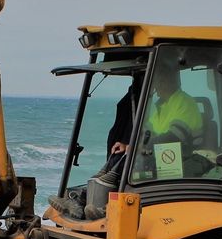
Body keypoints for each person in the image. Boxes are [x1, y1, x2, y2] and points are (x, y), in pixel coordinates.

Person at [50, 60, 201, 220]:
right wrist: (127, 145)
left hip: (178, 158)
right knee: (119, 155)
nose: (156, 86)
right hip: (159, 154)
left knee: (132, 160)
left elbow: (174, 137)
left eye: (159, 80)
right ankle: (80, 200)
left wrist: (137, 148)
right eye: (156, 80)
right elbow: (145, 134)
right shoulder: (161, 106)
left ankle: (106, 207)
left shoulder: (184, 103)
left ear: (171, 79)